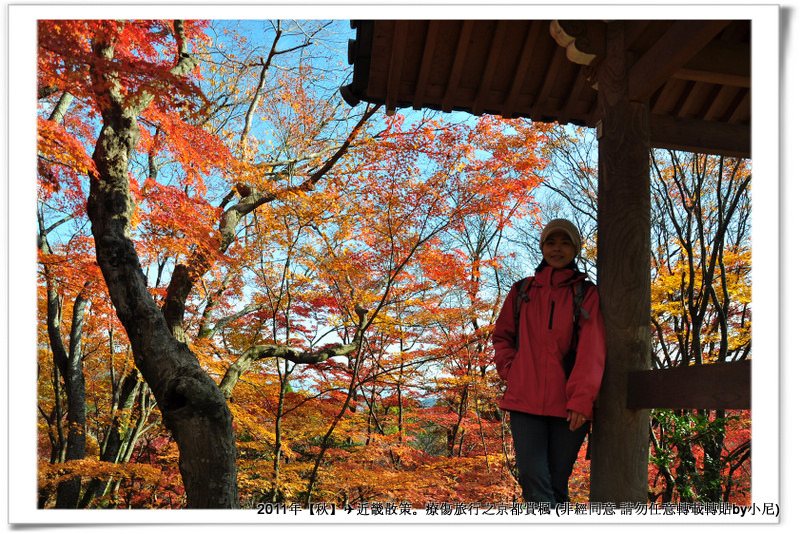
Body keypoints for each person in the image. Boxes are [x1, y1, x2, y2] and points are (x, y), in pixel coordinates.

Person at [492, 218, 606, 506]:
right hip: (524, 400)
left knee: (556, 482)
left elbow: (593, 348)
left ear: (576, 248)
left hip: (568, 404)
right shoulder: (522, 292)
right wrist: (511, 370)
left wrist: (581, 400)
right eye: (551, 242)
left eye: (565, 242)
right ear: (542, 247)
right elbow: (502, 336)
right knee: (532, 476)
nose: (557, 249)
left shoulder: (586, 294)